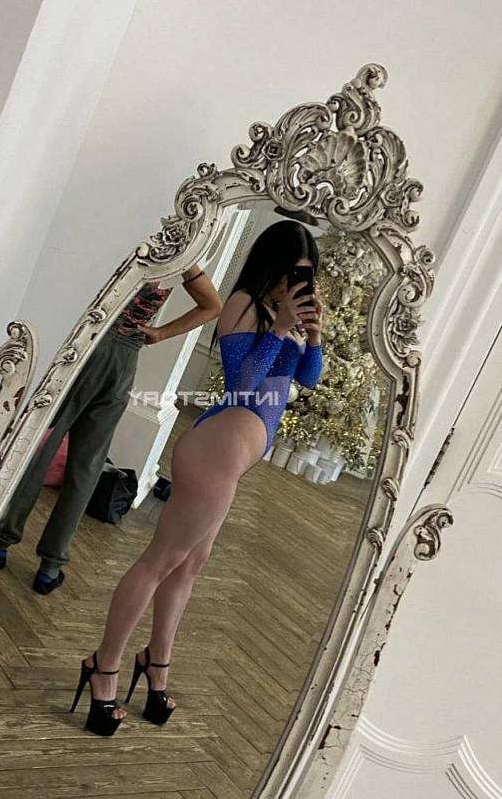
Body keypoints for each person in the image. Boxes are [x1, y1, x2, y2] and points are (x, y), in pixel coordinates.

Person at [70, 220, 324, 736]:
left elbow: (308, 378)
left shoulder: (286, 316)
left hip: (231, 458)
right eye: (291, 272)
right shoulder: (243, 305)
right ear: (271, 267)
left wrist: (312, 336)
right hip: (215, 452)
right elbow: (242, 384)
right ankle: (104, 667)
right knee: (160, 561)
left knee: (190, 565)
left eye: (305, 275)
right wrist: (279, 330)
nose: (297, 283)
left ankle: (155, 662)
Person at [0, 264, 222, 594]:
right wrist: (160, 333)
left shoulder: (127, 242)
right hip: (124, 360)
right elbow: (212, 305)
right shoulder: (179, 254)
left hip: (85, 347)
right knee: (87, 464)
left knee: (42, 447)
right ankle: (50, 567)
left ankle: (1, 542)